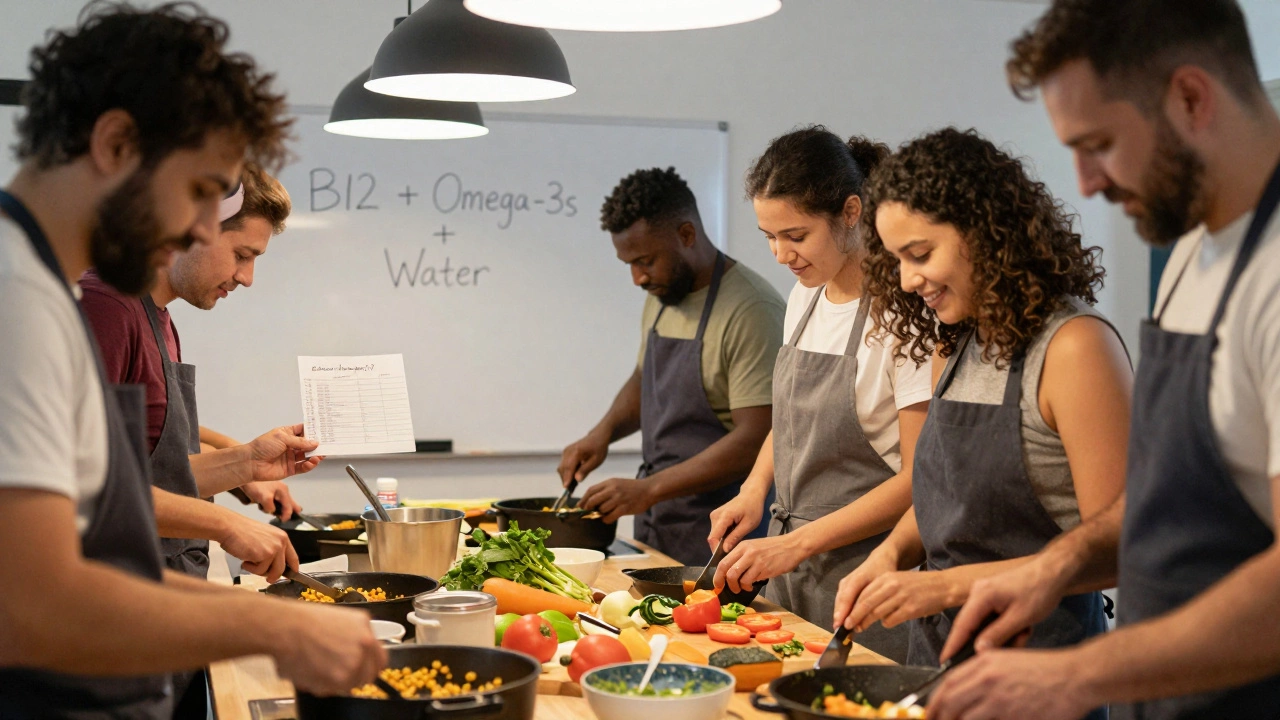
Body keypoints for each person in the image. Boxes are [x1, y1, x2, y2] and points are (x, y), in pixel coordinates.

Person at [0, 5, 383, 717]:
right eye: (203, 193)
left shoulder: (39, 291)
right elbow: (32, 607)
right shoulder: (17, 301)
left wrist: (282, 613)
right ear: (117, 143)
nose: (205, 230)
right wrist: (275, 623)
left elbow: (99, 554)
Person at [928, 2, 1280, 718]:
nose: (1086, 182)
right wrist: (1056, 567)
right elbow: (1168, 509)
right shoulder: (1192, 246)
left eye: (1099, 144)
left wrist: (1075, 675)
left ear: (1190, 96)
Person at [830, 129, 1131, 701]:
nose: (907, 280)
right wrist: (891, 553)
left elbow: (1120, 549)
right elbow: (946, 497)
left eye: (920, 254)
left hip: (1040, 675)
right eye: (895, 260)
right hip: (937, 662)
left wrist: (945, 588)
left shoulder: (1074, 348)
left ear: (988, 233)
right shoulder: (957, 341)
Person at [79, 161, 310, 717]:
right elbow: (95, 494)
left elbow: (153, 474)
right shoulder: (105, 308)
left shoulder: (159, 316)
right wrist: (228, 522)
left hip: (157, 615)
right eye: (242, 255)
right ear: (192, 228)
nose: (247, 278)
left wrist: (246, 462)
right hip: (105, 633)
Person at [703, 127, 930, 661]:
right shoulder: (803, 299)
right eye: (769, 236)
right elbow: (791, 420)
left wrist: (797, 542)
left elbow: (918, 479)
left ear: (851, 213)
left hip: (868, 582)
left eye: (796, 236)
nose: (782, 255)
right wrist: (755, 490)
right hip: (790, 572)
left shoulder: (902, 316)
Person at [559, 167, 785, 565]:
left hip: (722, 531)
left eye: (645, 260)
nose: (636, 277)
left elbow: (757, 438)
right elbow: (645, 378)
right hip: (660, 522)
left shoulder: (752, 310)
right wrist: (602, 434)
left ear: (686, 235)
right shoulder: (663, 293)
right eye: (628, 263)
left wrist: (647, 490)